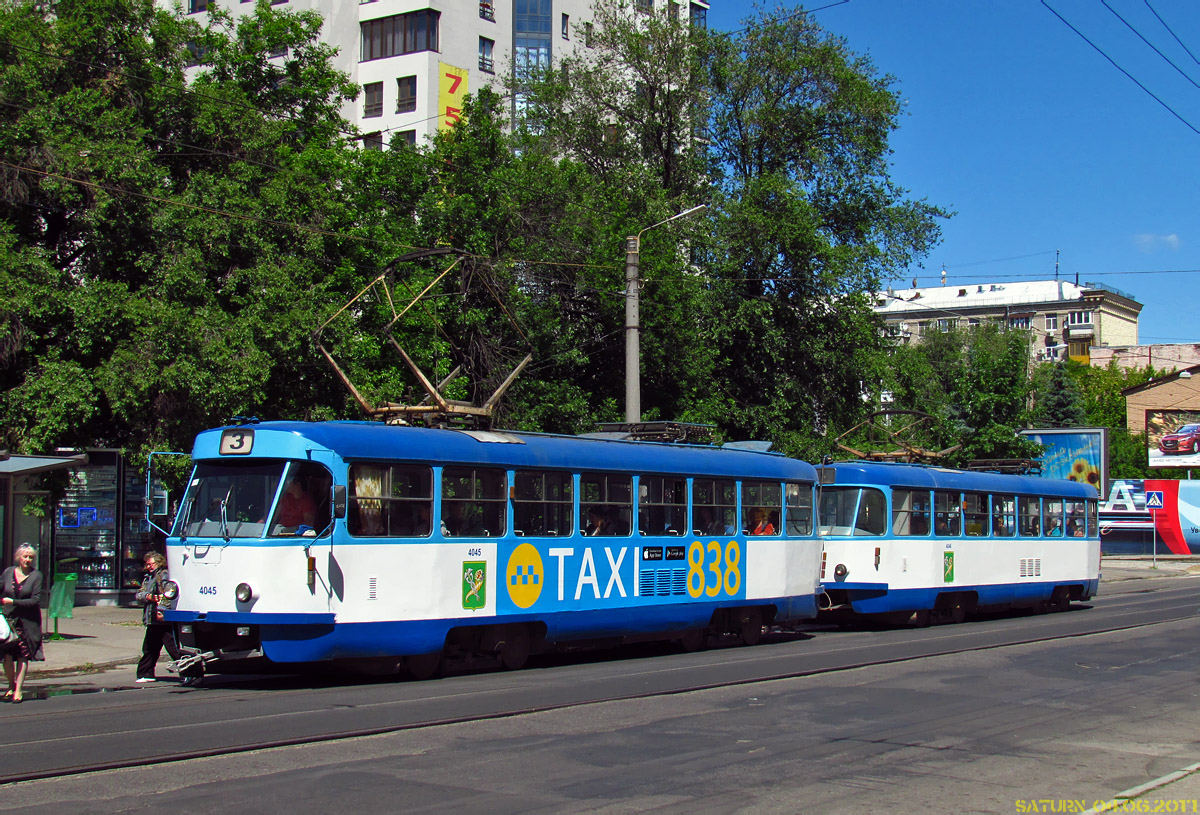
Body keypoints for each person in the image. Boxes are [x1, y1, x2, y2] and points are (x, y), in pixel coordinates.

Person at [1, 543, 44, 703]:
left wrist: (13, 601)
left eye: (31, 557)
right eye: (25, 556)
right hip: (9, 620)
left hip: (27, 622)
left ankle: (18, 690)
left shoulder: (36, 576)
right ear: (18, 557)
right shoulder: (8, 572)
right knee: (7, 656)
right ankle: (11, 685)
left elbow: (35, 601)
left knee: (23, 655)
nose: (27, 560)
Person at [135, 552, 183, 684]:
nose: (148, 566)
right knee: (151, 647)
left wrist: (162, 610)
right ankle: (145, 673)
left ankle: (189, 671)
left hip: (162, 619)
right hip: (153, 619)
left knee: (171, 647)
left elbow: (168, 594)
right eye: (147, 564)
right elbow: (139, 594)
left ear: (159, 562)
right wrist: (147, 596)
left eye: (151, 564)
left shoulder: (163, 575)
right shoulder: (148, 577)